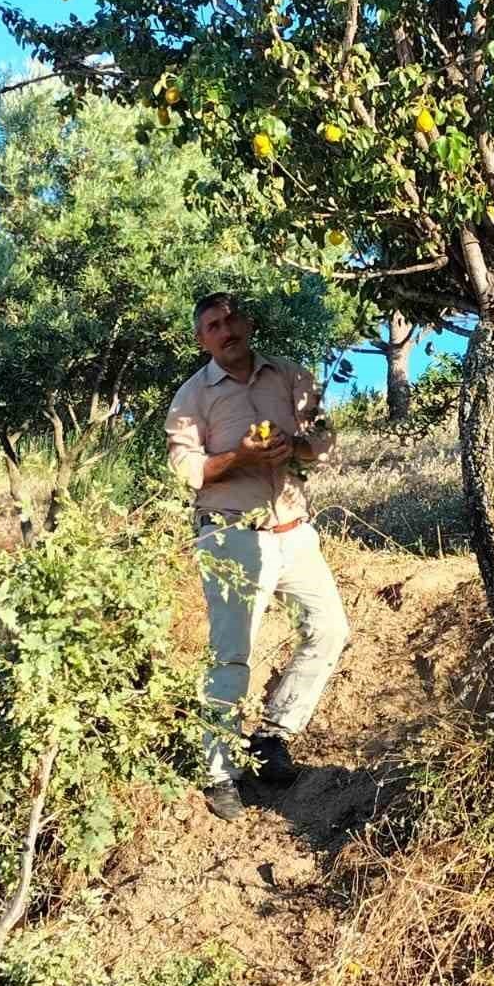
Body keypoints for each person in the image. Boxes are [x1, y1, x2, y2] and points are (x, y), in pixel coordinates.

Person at [165, 292, 350, 822]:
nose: (226, 331)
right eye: (213, 326)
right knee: (232, 655)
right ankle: (219, 772)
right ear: (201, 340)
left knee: (329, 629)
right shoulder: (192, 396)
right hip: (231, 535)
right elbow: (187, 472)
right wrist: (239, 456)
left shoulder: (290, 376)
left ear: (247, 323)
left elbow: (324, 439)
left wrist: (295, 446)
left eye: (231, 320)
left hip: (294, 530)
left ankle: (271, 739)